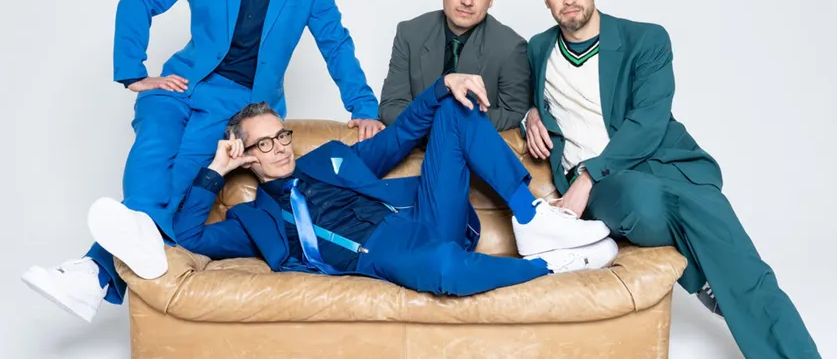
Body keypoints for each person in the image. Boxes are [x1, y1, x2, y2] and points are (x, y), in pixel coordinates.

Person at [21, 0, 383, 323]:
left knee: (181, 177)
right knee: (152, 146)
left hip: (239, 102)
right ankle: (95, 274)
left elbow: (336, 44)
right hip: (181, 83)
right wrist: (134, 73)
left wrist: (363, 106)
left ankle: (92, 274)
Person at [522, 0, 820, 359]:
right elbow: (510, 94)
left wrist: (587, 177)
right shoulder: (538, 49)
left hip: (663, 166)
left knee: (744, 267)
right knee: (642, 202)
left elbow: (648, 121)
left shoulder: (645, 39)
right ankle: (704, 277)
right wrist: (531, 113)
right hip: (615, 188)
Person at [91, 73, 619, 296]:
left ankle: (529, 218)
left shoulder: (330, 158)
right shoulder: (252, 219)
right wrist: (216, 169)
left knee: (455, 109)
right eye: (264, 144)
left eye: (281, 136)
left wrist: (444, 83)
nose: (280, 148)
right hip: (378, 255)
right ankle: (553, 266)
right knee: (441, 268)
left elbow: (403, 135)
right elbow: (189, 235)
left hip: (422, 218)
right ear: (245, 156)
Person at [379, 0, 531, 131]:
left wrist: (451, 123)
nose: (467, 1)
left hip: (470, 147)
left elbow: (514, 114)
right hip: (416, 145)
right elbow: (390, 107)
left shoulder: (511, 47)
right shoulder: (409, 33)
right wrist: (435, 125)